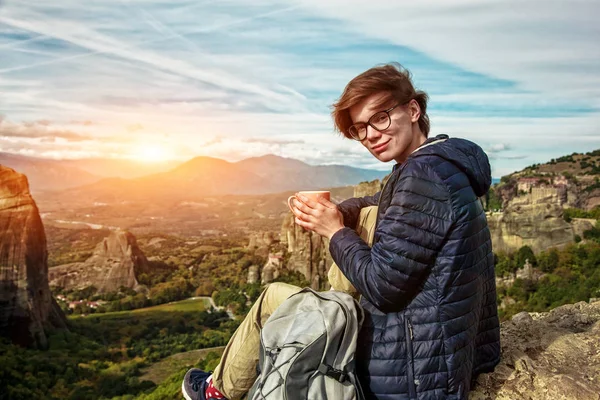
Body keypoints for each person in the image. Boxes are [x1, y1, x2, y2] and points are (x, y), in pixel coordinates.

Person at [182, 63, 501, 400]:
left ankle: (218, 392)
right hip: (433, 346)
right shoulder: (439, 164)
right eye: (360, 128)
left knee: (271, 301)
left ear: (413, 109)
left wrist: (334, 230)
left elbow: (382, 287)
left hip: (412, 367)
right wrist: (339, 210)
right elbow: (379, 200)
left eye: (380, 117)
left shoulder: (422, 175)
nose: (370, 135)